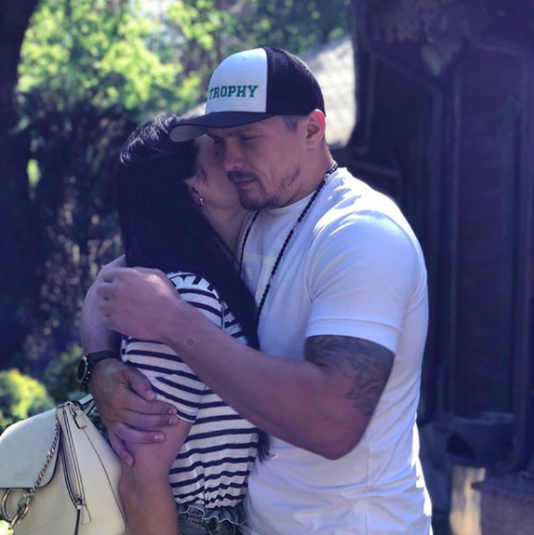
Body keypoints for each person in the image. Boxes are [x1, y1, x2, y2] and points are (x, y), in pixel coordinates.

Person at [84, 47, 433, 534]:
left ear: (312, 129)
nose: (230, 160)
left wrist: (174, 323)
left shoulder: (361, 234)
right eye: (218, 142)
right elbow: (115, 281)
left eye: (247, 138)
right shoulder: (249, 211)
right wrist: (101, 367)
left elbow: (333, 423)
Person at [87, 115, 266, 535]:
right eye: (217, 149)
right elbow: (142, 477)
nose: (233, 157)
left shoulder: (199, 280)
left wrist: (98, 362)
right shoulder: (186, 296)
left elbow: (107, 279)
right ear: (194, 188)